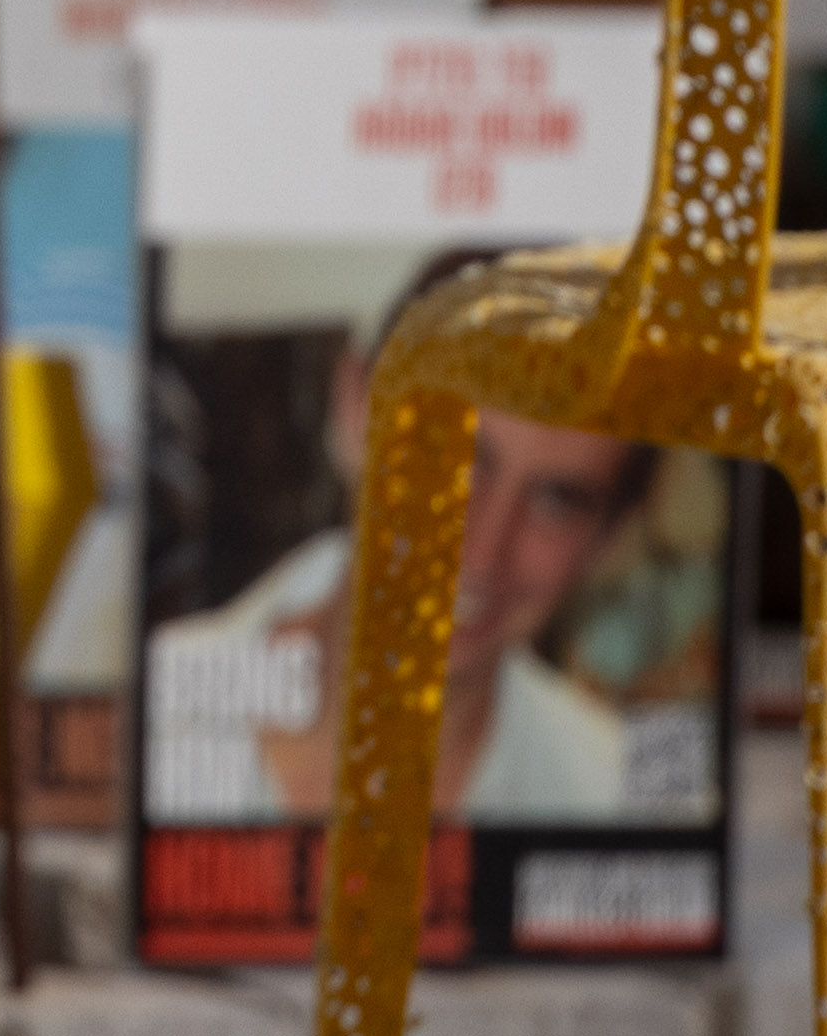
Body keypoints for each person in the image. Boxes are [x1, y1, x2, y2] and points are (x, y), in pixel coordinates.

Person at [151, 312, 666, 826]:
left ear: (607, 538)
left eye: (557, 501)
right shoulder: (145, 712)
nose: (483, 551)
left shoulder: (626, 803)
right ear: (356, 410)